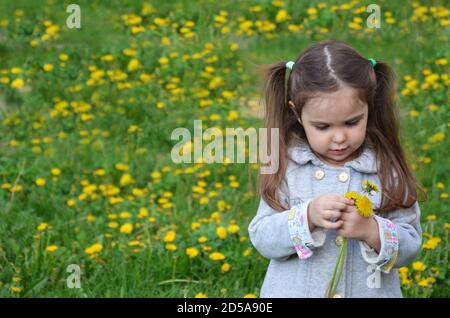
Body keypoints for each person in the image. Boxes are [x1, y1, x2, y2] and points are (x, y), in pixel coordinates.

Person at [248, 40, 425, 298]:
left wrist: (372, 230)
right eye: (323, 127)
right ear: (297, 114)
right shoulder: (287, 167)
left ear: (369, 108)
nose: (339, 137)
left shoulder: (386, 169)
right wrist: (306, 216)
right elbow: (263, 238)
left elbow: (410, 245)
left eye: (352, 122)